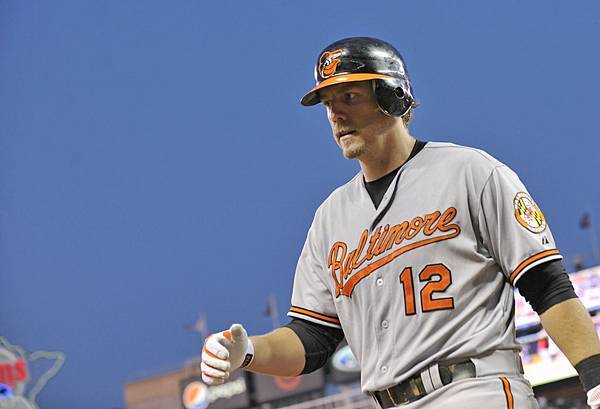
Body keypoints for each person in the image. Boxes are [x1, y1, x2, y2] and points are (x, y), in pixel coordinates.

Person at [200, 37, 600, 408]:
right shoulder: (329, 218)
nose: (335, 114)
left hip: (474, 389)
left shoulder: (470, 172)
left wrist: (596, 376)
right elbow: (313, 337)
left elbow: (546, 284)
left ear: (392, 97)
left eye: (349, 97)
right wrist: (248, 351)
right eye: (328, 103)